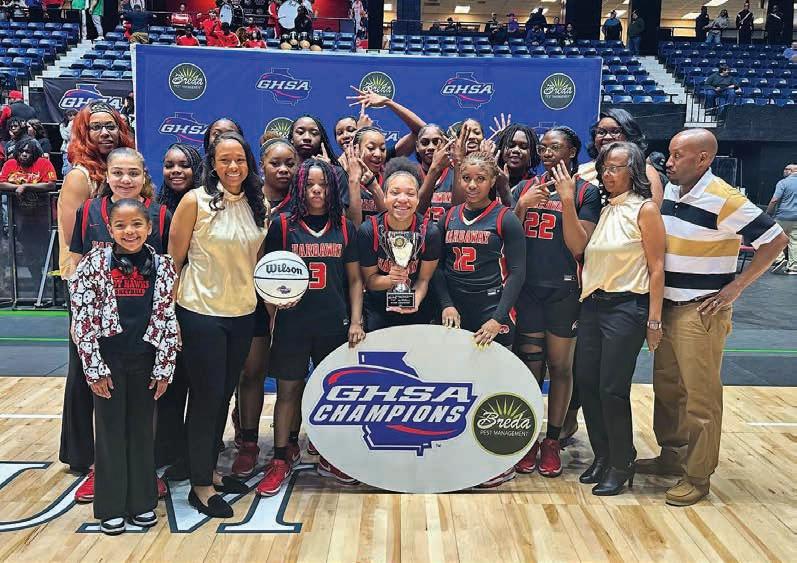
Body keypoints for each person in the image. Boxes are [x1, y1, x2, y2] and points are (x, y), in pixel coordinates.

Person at [637, 129, 786, 506]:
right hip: (667, 307)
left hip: (700, 310)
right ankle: (672, 455)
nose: (669, 162)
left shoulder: (724, 197)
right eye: (669, 154)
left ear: (703, 158)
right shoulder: (672, 192)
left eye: (677, 155)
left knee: (700, 398)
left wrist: (737, 287)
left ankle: (698, 475)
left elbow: (776, 240)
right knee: (667, 388)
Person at [168, 131, 268, 518]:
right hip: (200, 312)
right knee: (206, 399)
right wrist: (168, 317)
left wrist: (280, 294)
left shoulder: (258, 204)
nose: (232, 166)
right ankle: (201, 485)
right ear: (213, 164)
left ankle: (208, 470)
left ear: (248, 163)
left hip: (242, 313)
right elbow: (173, 262)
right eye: (224, 159)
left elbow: (257, 264)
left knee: (223, 397)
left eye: (239, 159)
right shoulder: (194, 201)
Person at [69, 198, 179, 536]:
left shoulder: (163, 265)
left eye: (136, 225)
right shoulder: (92, 264)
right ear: (110, 229)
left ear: (149, 227)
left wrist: (164, 366)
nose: (129, 231)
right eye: (121, 225)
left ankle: (143, 502)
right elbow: (82, 320)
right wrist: (94, 369)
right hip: (109, 362)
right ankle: (111, 507)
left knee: (143, 432)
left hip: (145, 360)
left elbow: (167, 317)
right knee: (110, 433)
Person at [257, 158, 364, 494]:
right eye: (310, 185)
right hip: (293, 323)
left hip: (333, 322)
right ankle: (280, 457)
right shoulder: (283, 225)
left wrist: (356, 320)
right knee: (288, 391)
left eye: (324, 184)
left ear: (333, 188)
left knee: (333, 392)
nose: (317, 190)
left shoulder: (344, 225)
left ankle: (331, 453)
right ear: (299, 188)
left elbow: (355, 280)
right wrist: (274, 307)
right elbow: (267, 276)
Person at [510, 127, 601, 478]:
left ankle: (552, 440)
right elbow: (506, 238)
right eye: (544, 147)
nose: (547, 152)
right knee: (530, 367)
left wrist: (566, 200)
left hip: (564, 291)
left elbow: (580, 246)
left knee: (561, 367)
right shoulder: (525, 187)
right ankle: (529, 438)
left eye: (555, 147)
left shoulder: (586, 192)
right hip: (528, 291)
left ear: (572, 151)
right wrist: (521, 206)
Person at [575, 142, 665, 496]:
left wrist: (654, 321)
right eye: (605, 167)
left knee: (612, 389)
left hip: (627, 307)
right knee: (587, 383)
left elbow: (657, 268)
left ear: (634, 170)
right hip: (592, 305)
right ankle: (602, 455)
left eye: (615, 167)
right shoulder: (604, 208)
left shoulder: (645, 209)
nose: (607, 173)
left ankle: (622, 462)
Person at [434, 150, 525, 488]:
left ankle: (496, 458)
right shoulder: (449, 216)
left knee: (492, 388)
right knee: (455, 387)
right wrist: (446, 305)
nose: (472, 185)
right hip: (456, 313)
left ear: (492, 181)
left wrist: (498, 318)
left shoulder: (505, 219)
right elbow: (437, 268)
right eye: (466, 179)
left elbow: (518, 272)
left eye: (480, 179)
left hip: (490, 311)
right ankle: (458, 451)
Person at [57, 102, 135, 502]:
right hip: (88, 291)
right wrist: (80, 298)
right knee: (84, 371)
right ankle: (82, 453)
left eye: (111, 126)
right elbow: (73, 245)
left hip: (126, 291)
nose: (105, 133)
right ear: (83, 133)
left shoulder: (124, 174)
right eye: (97, 127)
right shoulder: (80, 177)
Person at [230, 138, 298, 478]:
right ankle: (249, 442)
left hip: (294, 301)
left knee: (292, 377)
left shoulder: (304, 201)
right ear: (262, 165)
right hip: (250, 298)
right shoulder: (247, 201)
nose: (283, 169)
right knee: (251, 372)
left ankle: (290, 441)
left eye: (290, 163)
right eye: (275, 163)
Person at [153, 143, 202, 478]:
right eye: (169, 165)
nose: (176, 171)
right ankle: (165, 450)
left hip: (197, 306)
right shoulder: (155, 209)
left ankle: (193, 452)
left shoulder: (205, 206)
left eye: (184, 165)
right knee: (167, 385)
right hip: (164, 307)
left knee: (197, 384)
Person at [358, 157, 441, 333]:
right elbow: (370, 281)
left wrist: (415, 299)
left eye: (410, 194)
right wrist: (390, 280)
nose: (403, 199)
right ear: (385, 197)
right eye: (395, 192)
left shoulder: (429, 232)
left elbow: (424, 279)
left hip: (418, 308)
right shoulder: (369, 230)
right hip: (378, 309)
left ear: (418, 199)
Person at [0, 138, 57, 291]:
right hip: (21, 217)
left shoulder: (43, 163)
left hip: (43, 215)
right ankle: (38, 283)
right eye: (21, 151)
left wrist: (26, 186)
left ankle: (53, 285)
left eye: (28, 152)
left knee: (46, 250)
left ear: (34, 154)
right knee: (28, 251)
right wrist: (15, 187)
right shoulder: (10, 164)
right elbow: (1, 182)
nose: (24, 154)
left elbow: (51, 184)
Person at [580, 109, 664, 207]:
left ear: (629, 136)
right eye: (601, 132)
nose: (607, 137)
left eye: (615, 131)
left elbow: (653, 211)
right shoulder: (581, 171)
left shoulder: (645, 171)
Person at [415, 124, 454, 222]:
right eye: (425, 143)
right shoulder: (409, 175)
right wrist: (434, 169)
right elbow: (413, 213)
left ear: (446, 145)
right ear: (417, 146)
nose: (431, 147)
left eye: (436, 142)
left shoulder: (456, 174)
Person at [767, 165, 797, 274]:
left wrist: (768, 213)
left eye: (786, 169)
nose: (784, 171)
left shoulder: (783, 183)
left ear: (793, 171)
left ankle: (779, 259)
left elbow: (774, 200)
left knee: (774, 238)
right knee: (794, 242)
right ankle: (793, 268)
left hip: (782, 216)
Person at [59, 109, 77, 177]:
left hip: (78, 150)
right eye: (70, 115)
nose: (73, 117)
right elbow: (65, 137)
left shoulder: (80, 125)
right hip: (67, 150)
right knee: (67, 170)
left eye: (74, 115)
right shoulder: (63, 125)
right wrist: (71, 124)